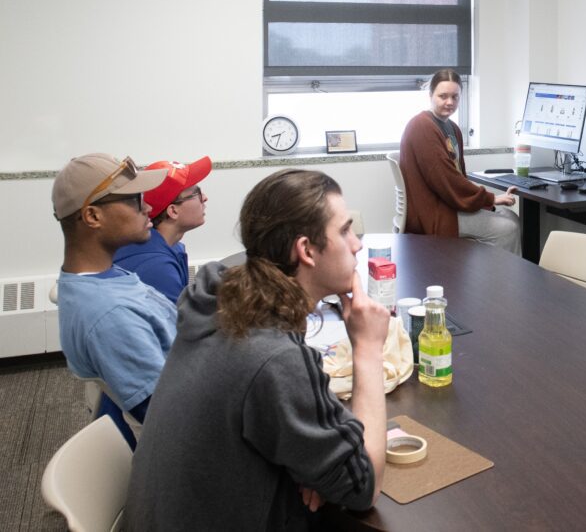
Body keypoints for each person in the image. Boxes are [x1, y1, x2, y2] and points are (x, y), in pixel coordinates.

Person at [126, 169, 390, 530]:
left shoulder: (220, 296)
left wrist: (315, 467)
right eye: (345, 231)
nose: (357, 244)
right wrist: (368, 349)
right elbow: (363, 486)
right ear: (306, 250)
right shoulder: (274, 357)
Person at [52, 153, 178, 436]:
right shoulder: (111, 316)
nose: (147, 207)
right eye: (135, 200)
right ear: (93, 216)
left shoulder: (103, 276)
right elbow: (171, 419)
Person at [399, 69, 522, 254]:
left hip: (450, 204)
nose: (450, 102)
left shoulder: (452, 128)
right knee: (507, 229)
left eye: (455, 97)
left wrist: (485, 201)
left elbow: (458, 177)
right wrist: (490, 198)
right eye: (443, 96)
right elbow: (446, 179)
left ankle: (495, 277)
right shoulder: (422, 127)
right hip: (437, 212)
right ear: (430, 95)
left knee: (512, 217)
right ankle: (501, 282)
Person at [114, 156, 211, 303]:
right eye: (196, 193)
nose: (204, 198)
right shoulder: (157, 268)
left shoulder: (171, 247)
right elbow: (175, 324)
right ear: (173, 211)